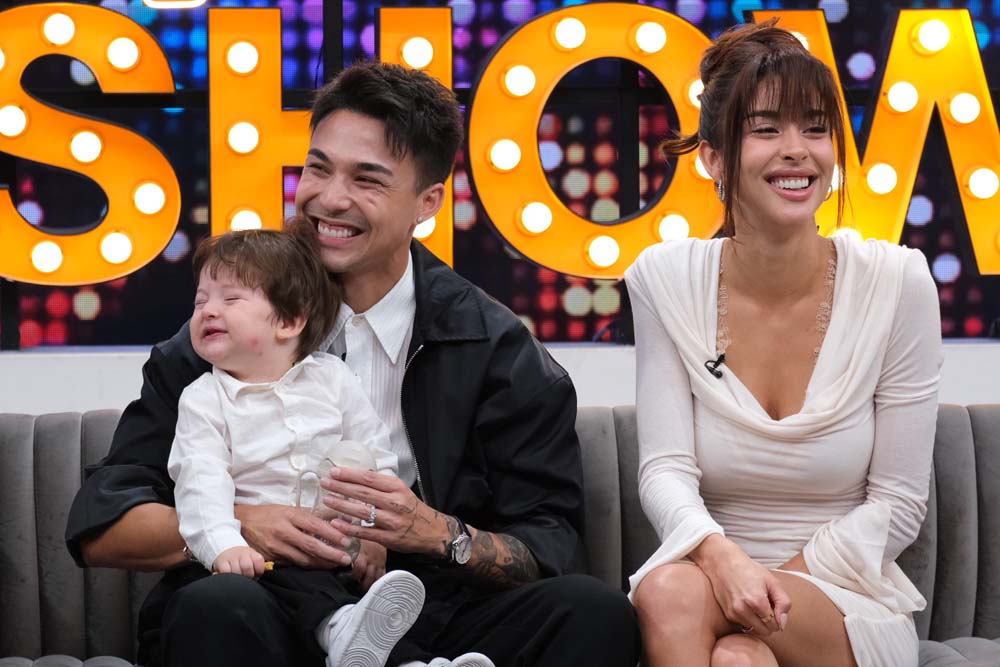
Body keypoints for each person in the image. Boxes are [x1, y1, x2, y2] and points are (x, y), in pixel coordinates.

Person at [65, 61, 640, 667]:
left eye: (367, 179)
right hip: (264, 602)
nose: (330, 198)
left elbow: (548, 546)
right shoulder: (223, 335)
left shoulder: (494, 348)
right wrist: (241, 522)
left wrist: (429, 531)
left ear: (427, 202)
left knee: (592, 612)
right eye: (318, 168)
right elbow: (103, 524)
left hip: (430, 610)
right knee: (215, 605)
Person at [625, 20, 941, 667]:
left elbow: (899, 505)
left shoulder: (897, 282)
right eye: (766, 129)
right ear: (714, 157)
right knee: (719, 642)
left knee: (679, 603)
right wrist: (724, 561)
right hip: (711, 572)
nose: (797, 151)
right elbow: (666, 469)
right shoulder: (664, 279)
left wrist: (766, 588)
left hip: (847, 593)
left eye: (816, 129)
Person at [169, 226, 433, 667]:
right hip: (259, 564)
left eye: (231, 299)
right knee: (303, 591)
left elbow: (375, 458)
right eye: (200, 301)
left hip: (338, 555)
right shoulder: (203, 399)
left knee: (373, 607)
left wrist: (374, 536)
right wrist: (224, 547)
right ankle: (339, 629)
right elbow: (200, 482)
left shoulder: (333, 378)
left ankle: (415, 661)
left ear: (289, 322)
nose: (208, 311)